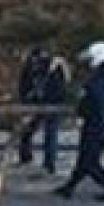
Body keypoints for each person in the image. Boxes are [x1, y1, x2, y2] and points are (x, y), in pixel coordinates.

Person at [55, 41, 104, 203]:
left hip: (96, 125)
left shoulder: (97, 81)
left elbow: (88, 105)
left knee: (90, 161)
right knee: (85, 158)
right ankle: (69, 187)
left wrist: (80, 105)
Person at [17, 46, 69, 174]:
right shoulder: (29, 69)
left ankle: (49, 163)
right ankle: (27, 157)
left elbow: (64, 83)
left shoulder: (54, 68)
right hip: (37, 103)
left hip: (52, 103)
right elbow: (23, 86)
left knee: (50, 134)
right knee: (28, 131)